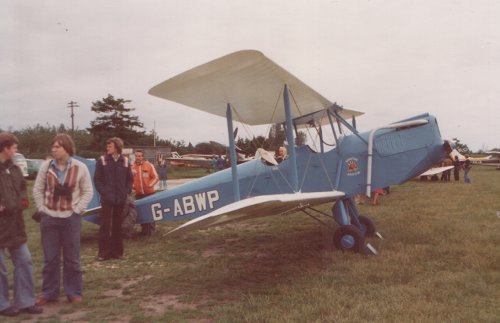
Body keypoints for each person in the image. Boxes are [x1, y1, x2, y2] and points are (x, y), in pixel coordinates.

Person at [33, 134, 93, 306]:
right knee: (50, 258)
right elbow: (37, 190)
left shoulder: (80, 167)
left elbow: (87, 191)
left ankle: (73, 292)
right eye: (53, 146)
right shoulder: (46, 166)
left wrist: (77, 210)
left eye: (57, 146)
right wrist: (42, 210)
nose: (53, 149)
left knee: (72, 259)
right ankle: (49, 293)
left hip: (70, 220)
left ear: (67, 148)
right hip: (49, 219)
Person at [0, 133, 43, 317]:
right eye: (15, 148)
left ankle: (25, 301)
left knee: (24, 261)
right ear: (5, 148)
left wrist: (23, 201)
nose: (17, 151)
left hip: (16, 225)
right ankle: (2, 304)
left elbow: (23, 190)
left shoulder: (15, 169)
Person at [94, 137, 133, 261]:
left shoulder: (126, 161)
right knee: (105, 226)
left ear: (117, 147)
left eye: (110, 146)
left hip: (120, 200)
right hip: (107, 199)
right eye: (107, 146)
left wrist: (125, 193)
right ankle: (103, 253)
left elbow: (130, 180)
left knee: (118, 226)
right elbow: (97, 179)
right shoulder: (102, 160)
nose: (107, 148)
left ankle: (117, 253)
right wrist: (104, 193)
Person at [132, 149, 159, 236]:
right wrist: (133, 186)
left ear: (143, 157)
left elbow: (155, 177)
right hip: (139, 194)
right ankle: (144, 230)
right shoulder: (131, 167)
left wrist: (149, 185)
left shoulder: (149, 165)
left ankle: (151, 230)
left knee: (150, 212)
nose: (138, 157)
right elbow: (128, 179)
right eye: (136, 156)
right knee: (141, 212)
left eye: (139, 156)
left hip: (149, 194)